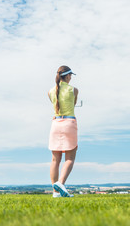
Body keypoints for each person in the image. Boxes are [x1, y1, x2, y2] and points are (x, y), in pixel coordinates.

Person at [48, 65, 79, 198]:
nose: (71, 78)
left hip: (55, 124)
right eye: (70, 75)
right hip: (69, 123)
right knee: (70, 158)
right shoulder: (74, 90)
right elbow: (73, 104)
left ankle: (55, 193)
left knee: (55, 159)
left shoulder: (50, 91)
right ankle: (60, 183)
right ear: (67, 76)